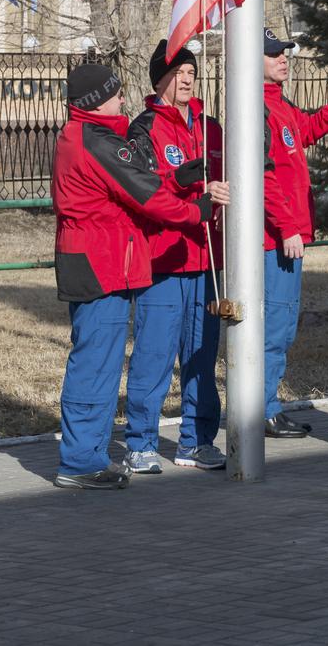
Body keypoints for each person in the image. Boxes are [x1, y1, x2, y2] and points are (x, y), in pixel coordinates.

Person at [52, 63, 229, 490]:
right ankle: (80, 461)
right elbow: (145, 196)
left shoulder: (89, 136)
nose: (122, 100)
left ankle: (87, 456)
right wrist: (197, 210)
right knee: (95, 365)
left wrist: (175, 176)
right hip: (101, 263)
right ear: (96, 100)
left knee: (99, 363)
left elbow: (137, 179)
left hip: (100, 260)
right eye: (115, 94)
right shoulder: (96, 140)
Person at [123, 40, 226, 473]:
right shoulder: (143, 128)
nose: (186, 79)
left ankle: (196, 441)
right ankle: (141, 444)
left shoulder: (211, 125)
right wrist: (186, 185)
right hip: (164, 259)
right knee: (155, 353)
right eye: (178, 72)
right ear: (159, 78)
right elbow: (143, 190)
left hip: (206, 259)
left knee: (202, 353)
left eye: (191, 72)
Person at [262, 28, 328, 438]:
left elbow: (303, 131)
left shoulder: (278, 104)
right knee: (274, 327)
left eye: (284, 53)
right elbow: (263, 177)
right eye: (274, 55)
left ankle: (268, 405)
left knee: (282, 327)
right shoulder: (258, 109)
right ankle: (262, 410)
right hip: (273, 241)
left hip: (287, 237)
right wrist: (287, 227)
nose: (284, 59)